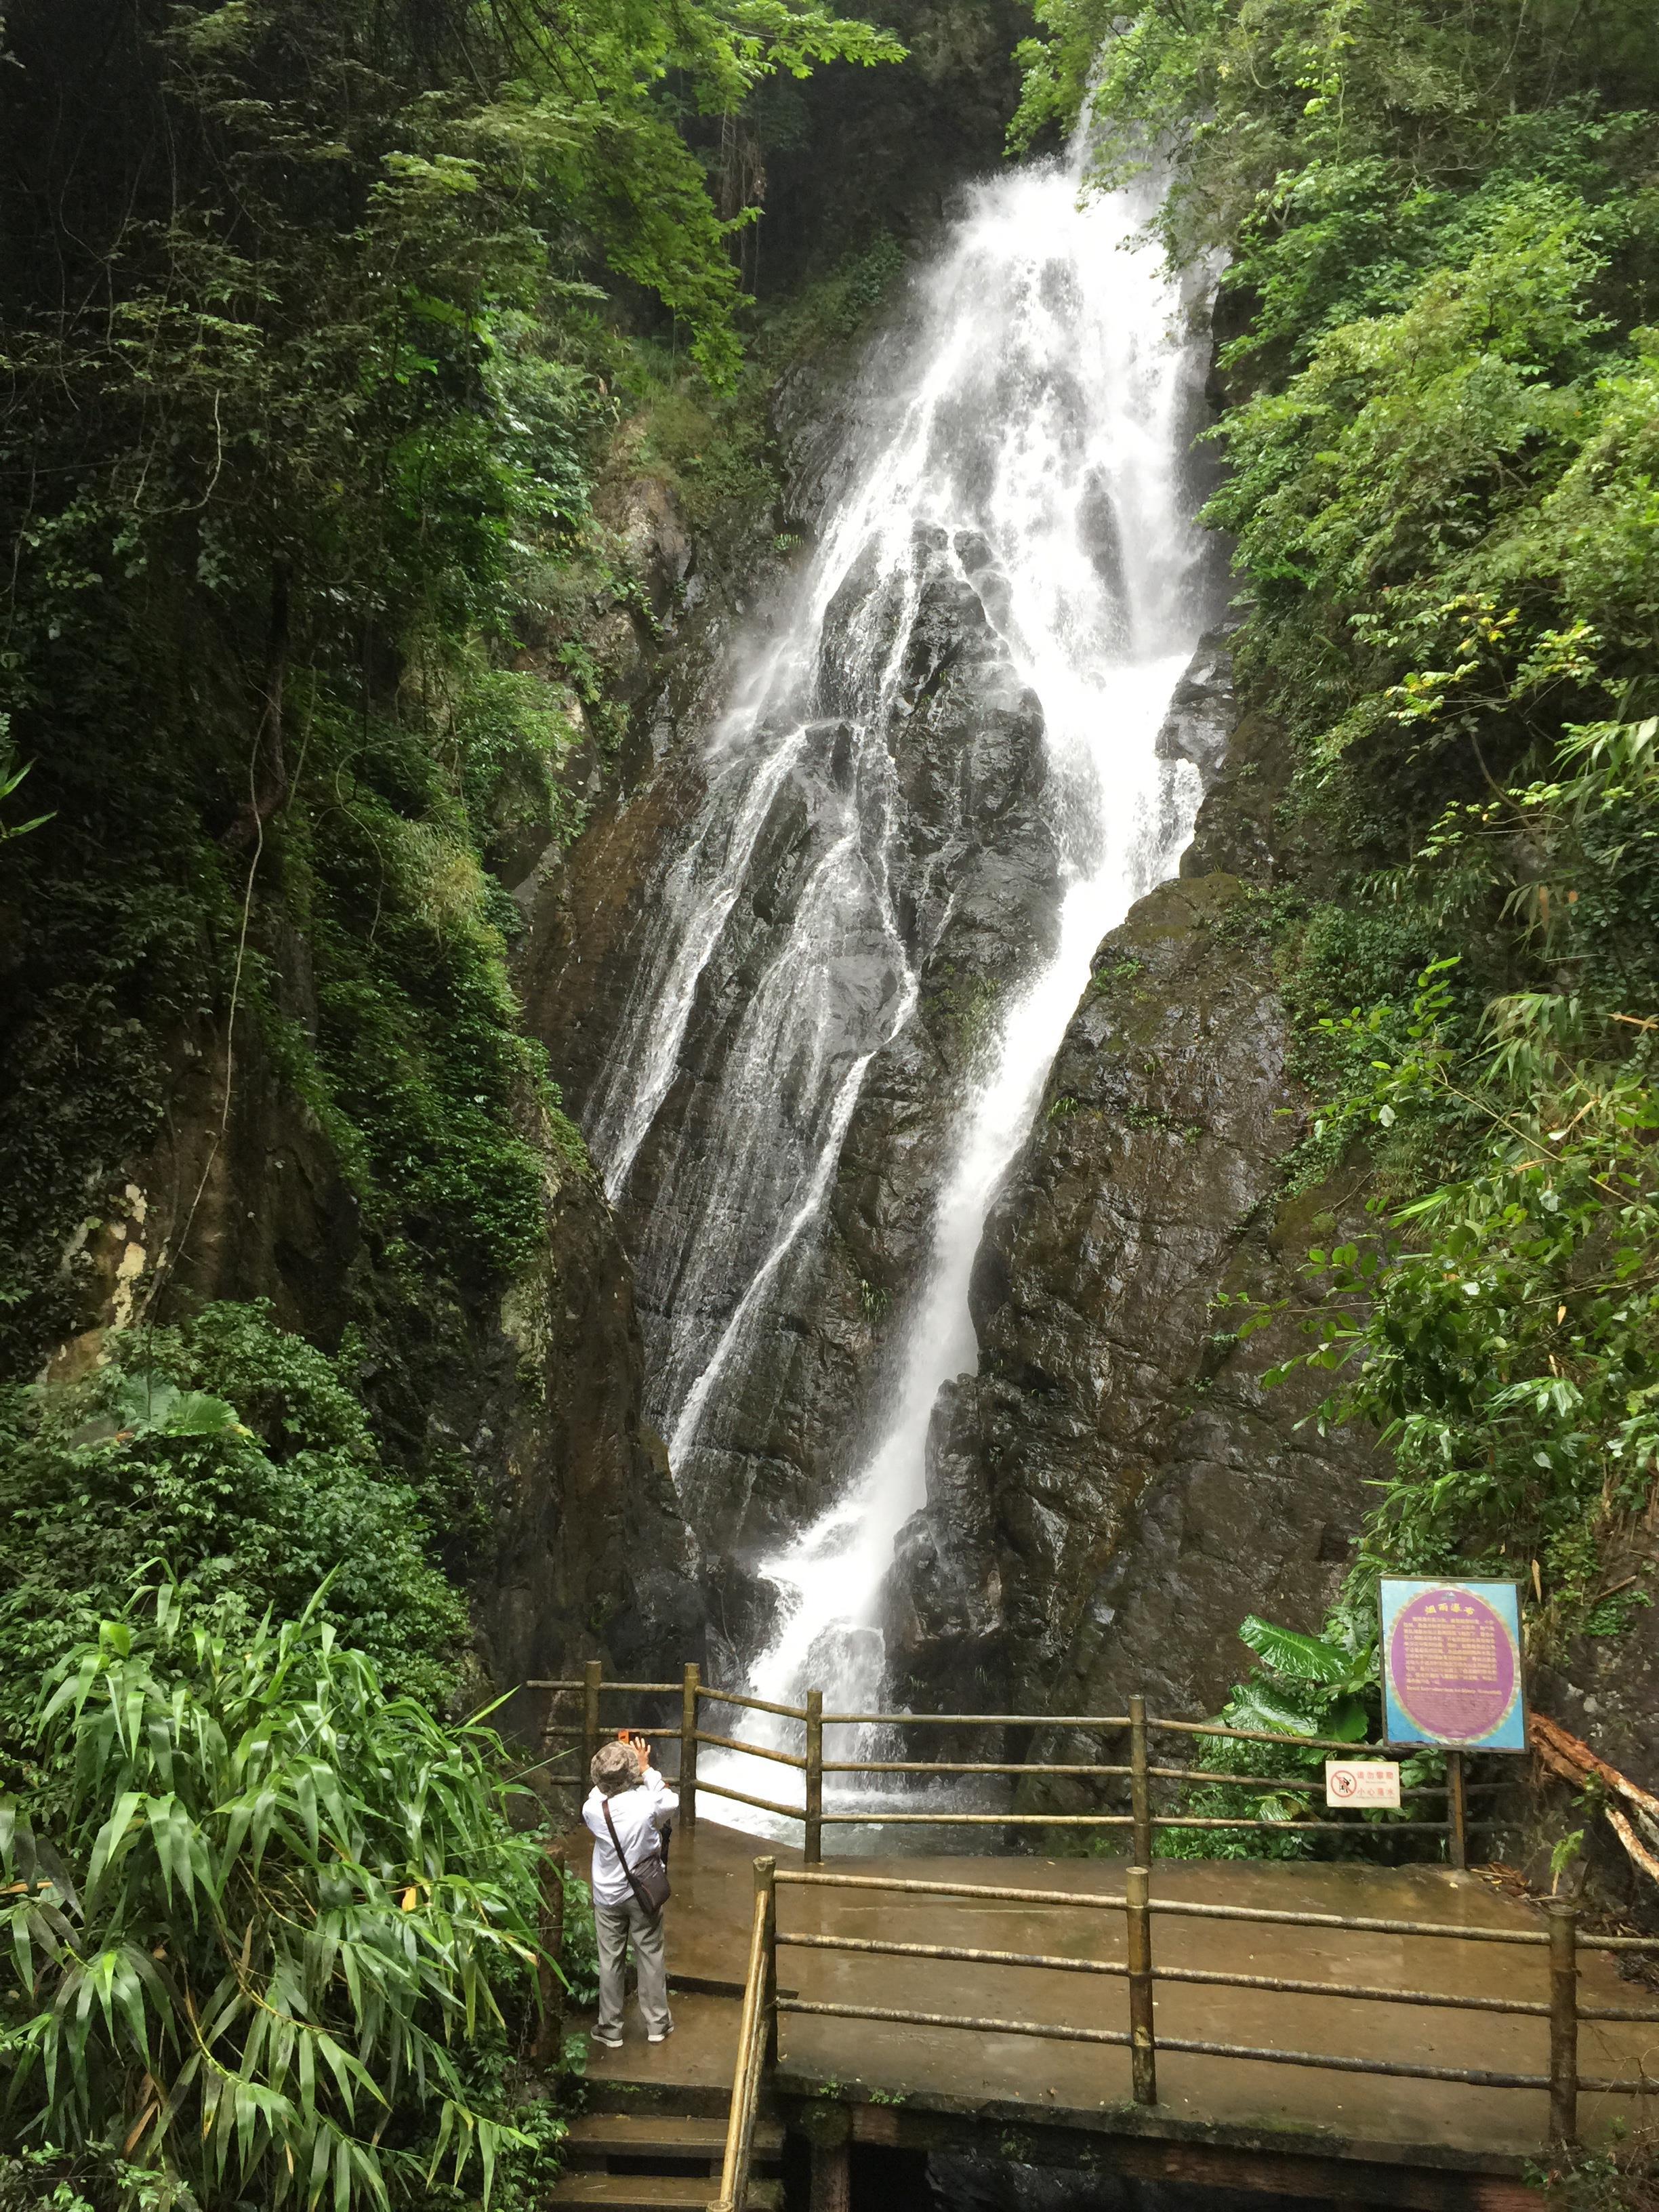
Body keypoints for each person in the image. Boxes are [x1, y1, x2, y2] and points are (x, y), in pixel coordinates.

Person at [583, 1733, 677, 2049]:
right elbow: (670, 1801)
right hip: (644, 1892)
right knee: (650, 1955)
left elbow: (601, 1789)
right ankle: (657, 2025)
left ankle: (610, 2028)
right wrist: (646, 1768)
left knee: (610, 1961)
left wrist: (617, 1768)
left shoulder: (593, 1810)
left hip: (608, 1896)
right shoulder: (648, 1804)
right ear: (631, 1775)